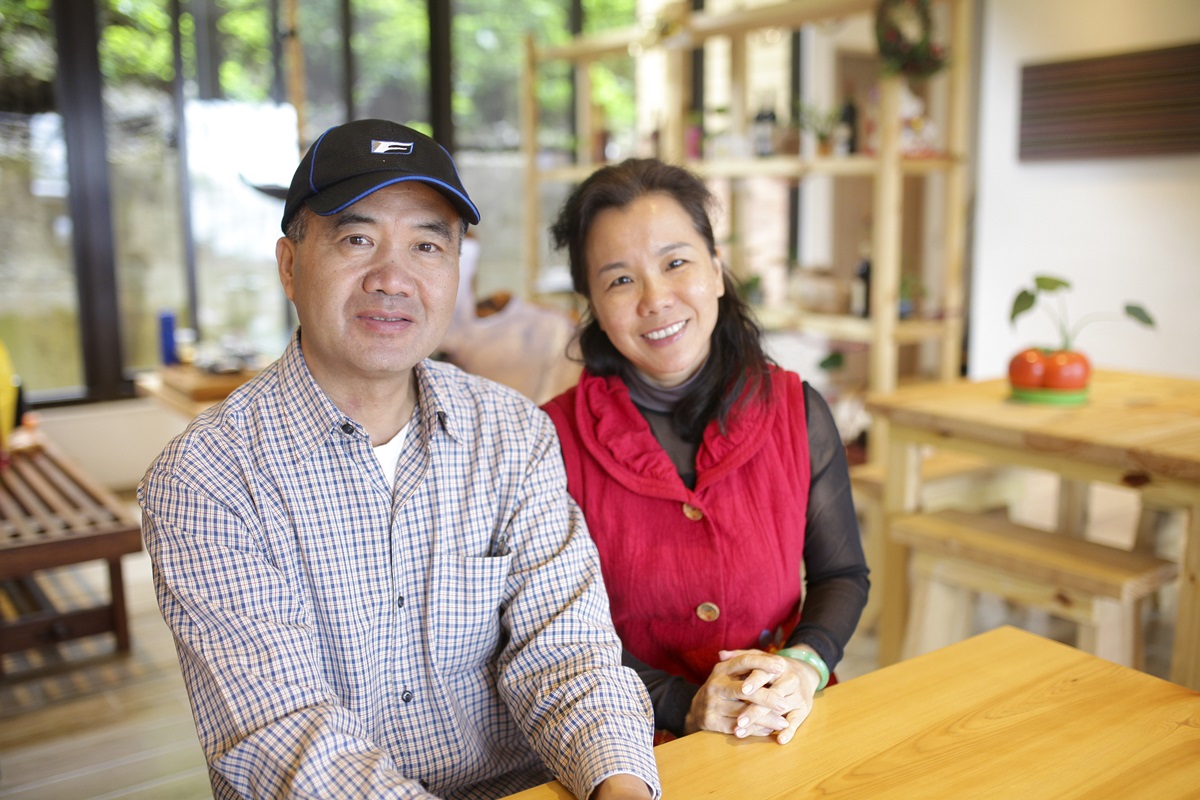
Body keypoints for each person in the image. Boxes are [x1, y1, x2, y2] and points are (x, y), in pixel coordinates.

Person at [139, 119, 659, 800]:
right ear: (290, 264)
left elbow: (569, 654)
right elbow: (287, 737)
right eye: (357, 239)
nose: (393, 278)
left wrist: (619, 787)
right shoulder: (206, 478)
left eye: (426, 244)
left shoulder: (512, 435)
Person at [542, 158, 870, 746]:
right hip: (628, 743)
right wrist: (681, 702)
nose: (655, 298)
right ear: (591, 302)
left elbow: (841, 573)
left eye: (676, 263)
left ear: (716, 271)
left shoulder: (797, 410)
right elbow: (553, 636)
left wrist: (805, 664)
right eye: (620, 279)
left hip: (783, 723)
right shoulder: (552, 440)